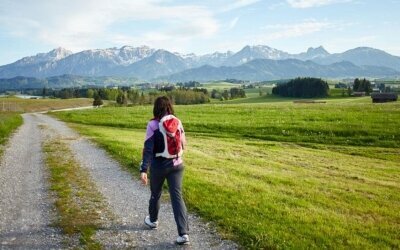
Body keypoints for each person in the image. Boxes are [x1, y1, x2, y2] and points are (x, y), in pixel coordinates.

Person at [139, 96, 190, 245]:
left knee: (156, 194)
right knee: (177, 197)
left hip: (159, 166)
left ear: (156, 108)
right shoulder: (177, 121)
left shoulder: (153, 125)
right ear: (170, 107)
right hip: (177, 165)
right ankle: (183, 234)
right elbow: (184, 145)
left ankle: (153, 221)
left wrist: (144, 169)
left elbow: (148, 149)